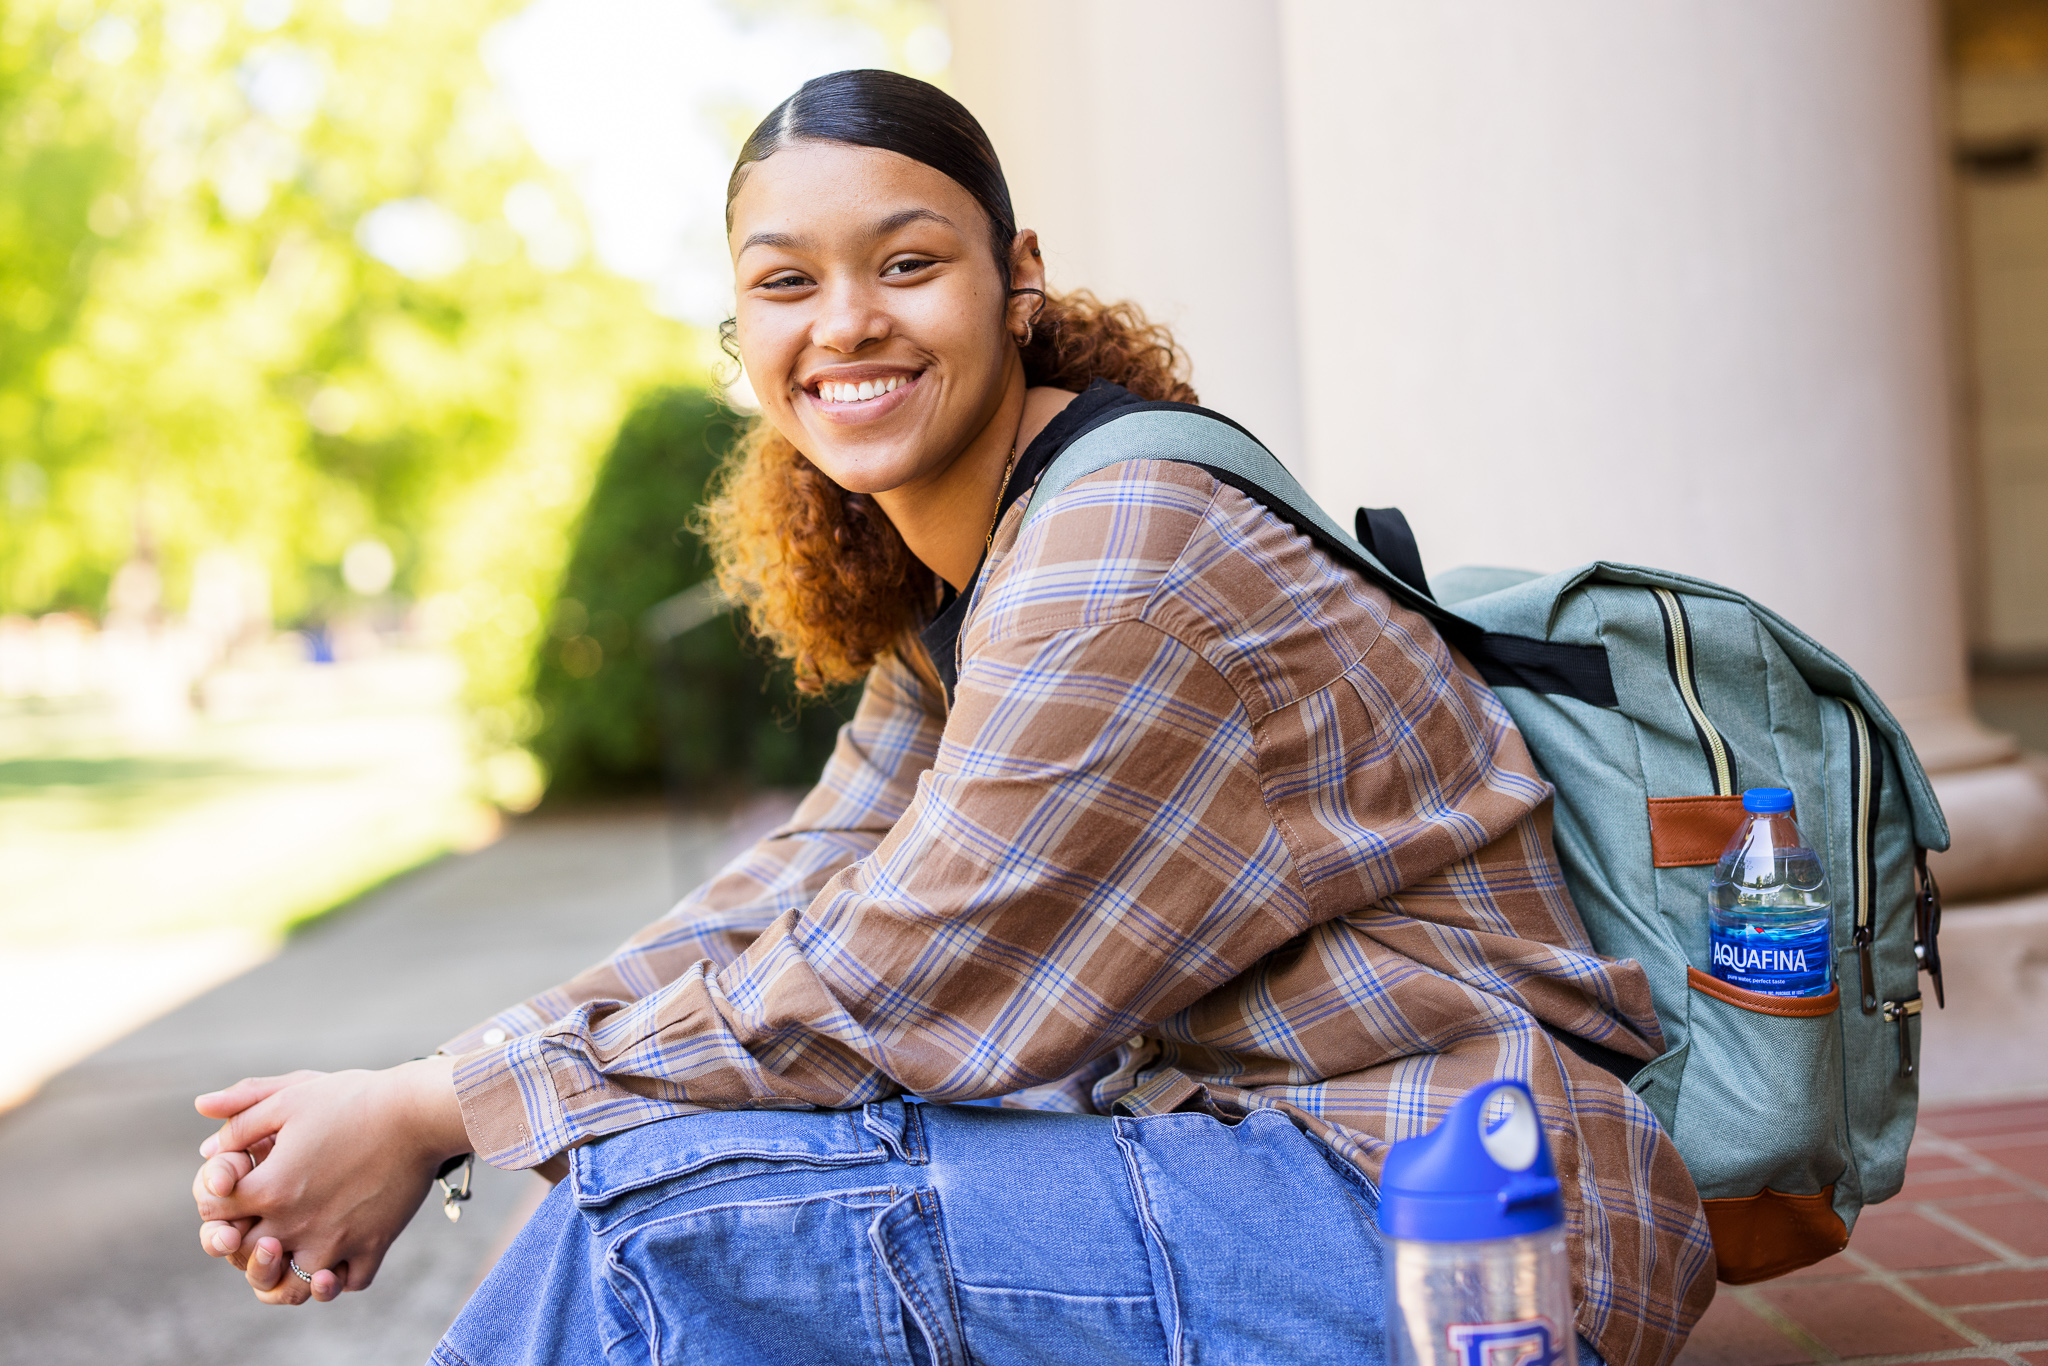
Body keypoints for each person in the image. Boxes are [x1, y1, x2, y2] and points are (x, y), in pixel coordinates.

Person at [190, 69, 1714, 1365]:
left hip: (1465, 1225)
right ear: (743, 332)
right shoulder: (984, 570)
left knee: (662, 1234)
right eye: (785, 283)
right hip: (1284, 1176)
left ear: (1017, 274)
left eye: (905, 264)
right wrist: (428, 1086)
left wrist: (434, 1113)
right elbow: (789, 888)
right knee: (655, 1169)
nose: (844, 323)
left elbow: (886, 979)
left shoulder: (1124, 554)